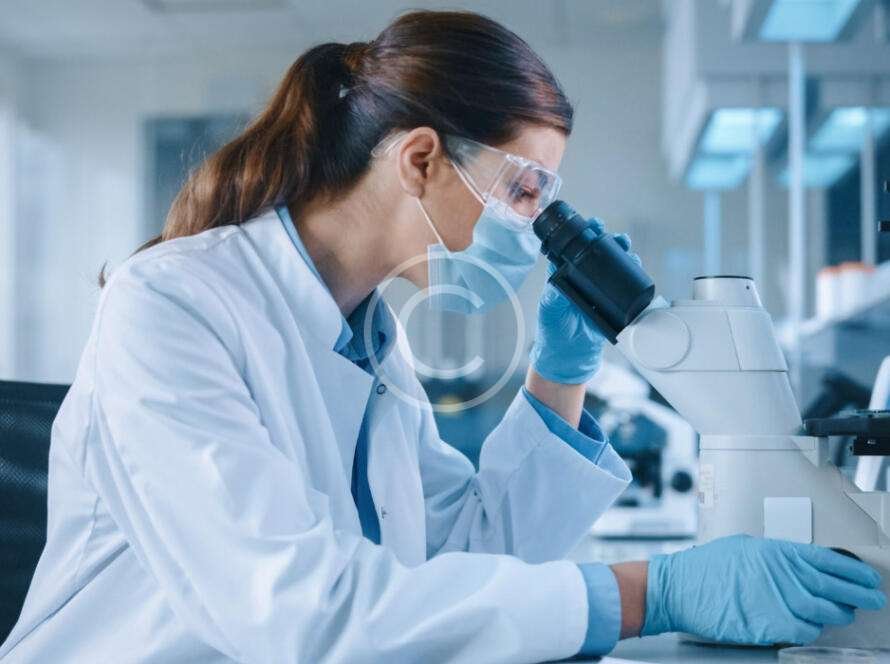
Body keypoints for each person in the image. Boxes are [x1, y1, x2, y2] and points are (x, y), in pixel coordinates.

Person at [1, 10, 883, 663]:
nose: (537, 224)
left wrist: (559, 374)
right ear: (419, 159)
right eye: (527, 189)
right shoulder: (171, 306)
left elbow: (462, 558)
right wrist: (654, 593)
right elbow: (301, 613)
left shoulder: (371, 343)